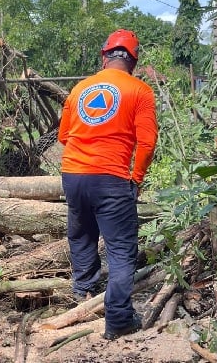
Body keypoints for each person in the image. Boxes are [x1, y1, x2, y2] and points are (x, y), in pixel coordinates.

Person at [58, 29, 158, 340]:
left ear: (105, 57)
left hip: (72, 175)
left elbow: (64, 136)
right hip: (111, 177)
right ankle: (118, 321)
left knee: (82, 233)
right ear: (133, 61)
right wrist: (136, 179)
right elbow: (148, 143)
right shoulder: (140, 91)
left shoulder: (79, 90)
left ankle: (85, 294)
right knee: (121, 249)